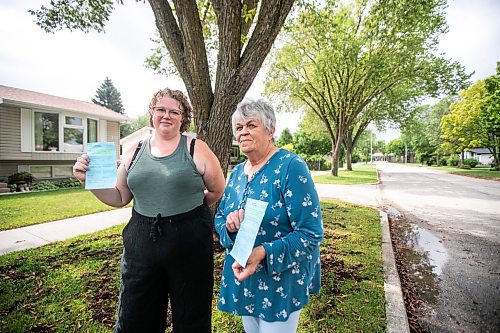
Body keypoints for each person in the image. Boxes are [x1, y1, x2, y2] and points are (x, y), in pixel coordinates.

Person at [72, 88, 225, 333]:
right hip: (141, 245)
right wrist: (87, 181)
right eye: (161, 109)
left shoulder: (198, 148)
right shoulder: (133, 151)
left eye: (175, 111)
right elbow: (120, 196)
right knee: (136, 318)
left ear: (183, 117)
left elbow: (217, 190)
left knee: (191, 318)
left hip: (190, 245)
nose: (167, 115)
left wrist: (188, 215)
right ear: (152, 113)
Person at [214, 98, 323, 333]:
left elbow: (310, 234)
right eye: (239, 127)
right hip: (245, 277)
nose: (243, 132)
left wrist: (263, 252)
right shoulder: (235, 174)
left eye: (251, 125)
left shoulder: (290, 167)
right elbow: (220, 217)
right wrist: (230, 226)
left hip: (280, 281)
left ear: (271, 129)